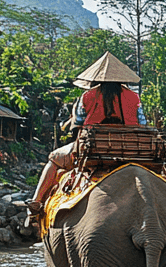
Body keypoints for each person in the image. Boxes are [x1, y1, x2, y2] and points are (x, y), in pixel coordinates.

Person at [27, 52, 148, 221]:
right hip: (131, 149)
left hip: (93, 148)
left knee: (53, 159)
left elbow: (78, 125)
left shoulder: (87, 96)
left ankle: (36, 203)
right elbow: (142, 124)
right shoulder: (134, 97)